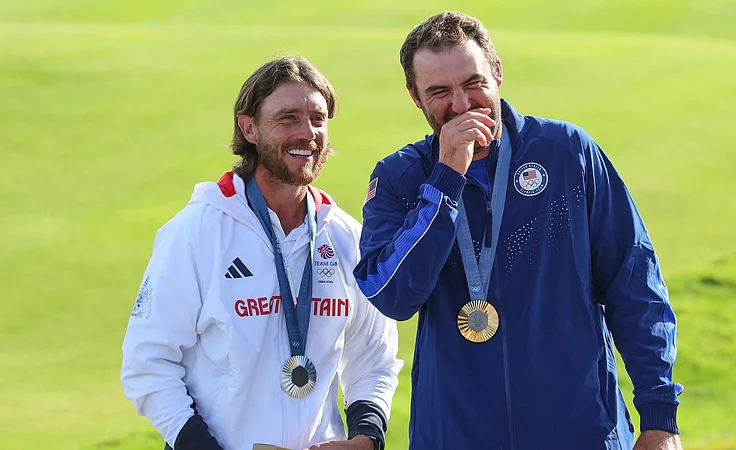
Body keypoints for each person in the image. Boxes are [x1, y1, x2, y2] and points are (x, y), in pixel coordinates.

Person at [354, 11, 683, 450]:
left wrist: (660, 418)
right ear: (415, 97)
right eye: (439, 92)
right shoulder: (401, 177)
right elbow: (391, 294)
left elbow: (634, 283)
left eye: (473, 83)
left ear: (498, 73)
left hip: (581, 432)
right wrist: (445, 180)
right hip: (455, 436)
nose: (462, 105)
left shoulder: (566, 153)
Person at [121, 56, 402, 450]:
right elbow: (148, 363)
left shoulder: (346, 237)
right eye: (288, 118)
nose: (308, 133)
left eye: (318, 119)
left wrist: (366, 436)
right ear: (249, 128)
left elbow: (373, 359)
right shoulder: (196, 231)